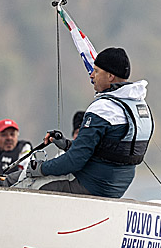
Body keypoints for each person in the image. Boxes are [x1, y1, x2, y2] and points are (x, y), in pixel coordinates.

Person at [30, 47, 153, 198]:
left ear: (110, 76)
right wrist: (68, 144)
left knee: (27, 183)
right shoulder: (140, 105)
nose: (91, 75)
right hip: (116, 188)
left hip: (90, 186)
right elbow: (107, 148)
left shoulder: (103, 108)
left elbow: (74, 161)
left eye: (96, 71)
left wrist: (41, 168)